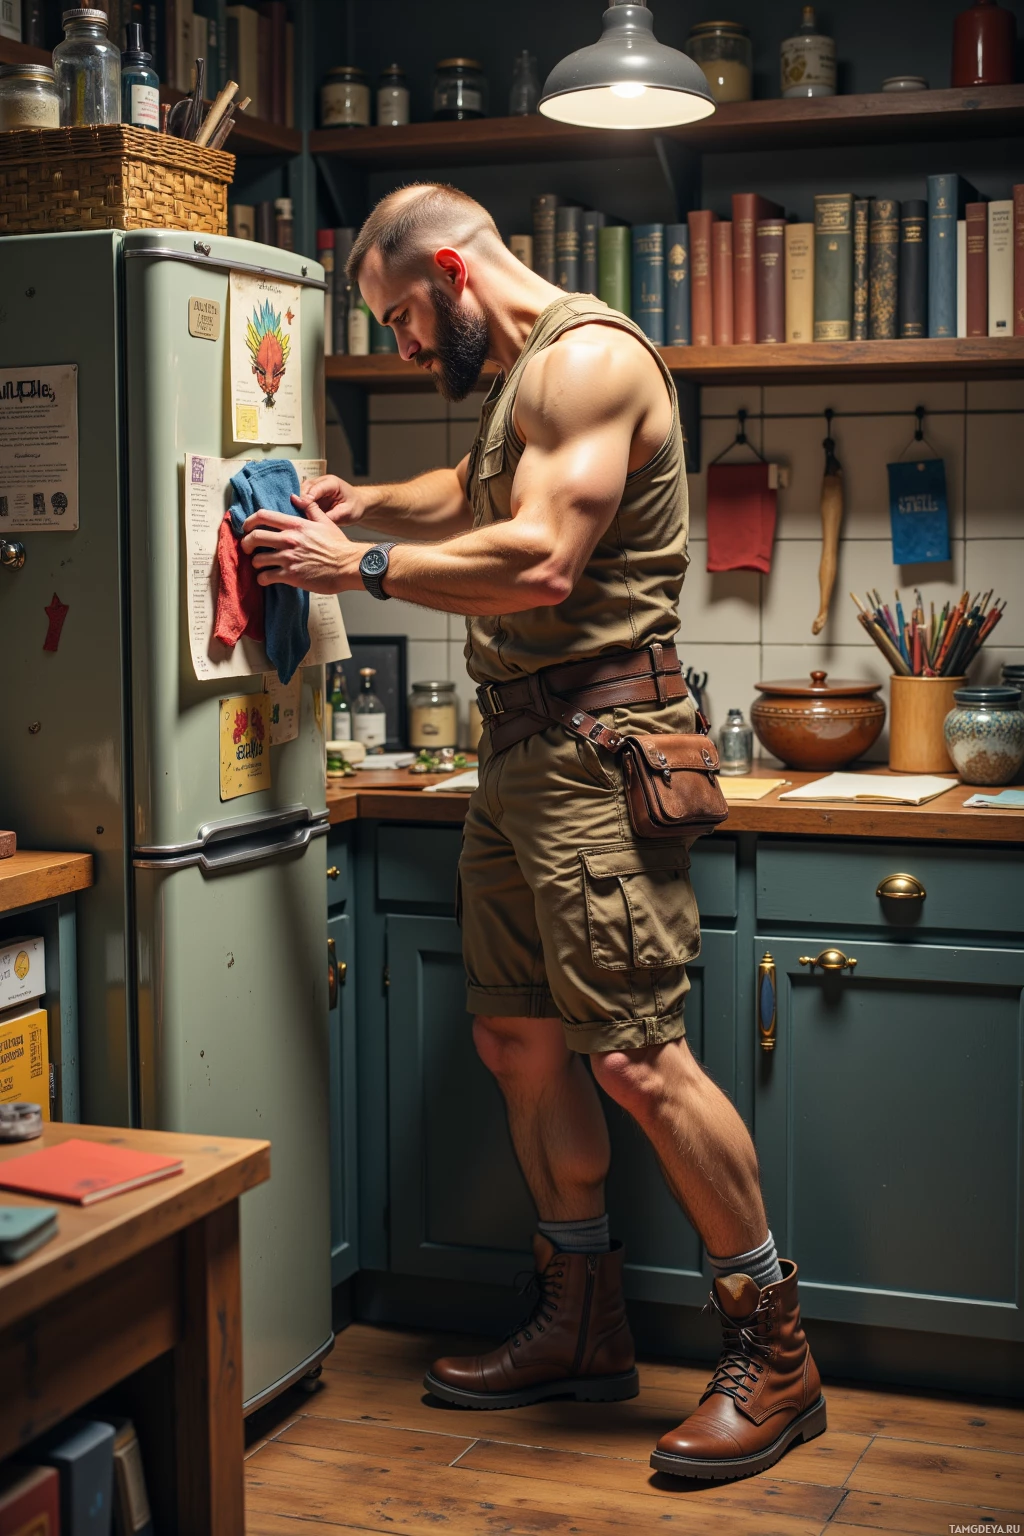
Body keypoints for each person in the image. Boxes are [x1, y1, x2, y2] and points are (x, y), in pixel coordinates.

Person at [240, 183, 825, 1482]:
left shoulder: (593, 359)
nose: (398, 346)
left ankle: (775, 1350)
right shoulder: (521, 384)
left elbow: (545, 559)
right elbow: (478, 484)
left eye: (398, 318)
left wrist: (363, 568)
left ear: (451, 269)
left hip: (596, 754)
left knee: (635, 1061)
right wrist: (370, 504)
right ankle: (581, 1322)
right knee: (517, 1038)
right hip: (515, 757)